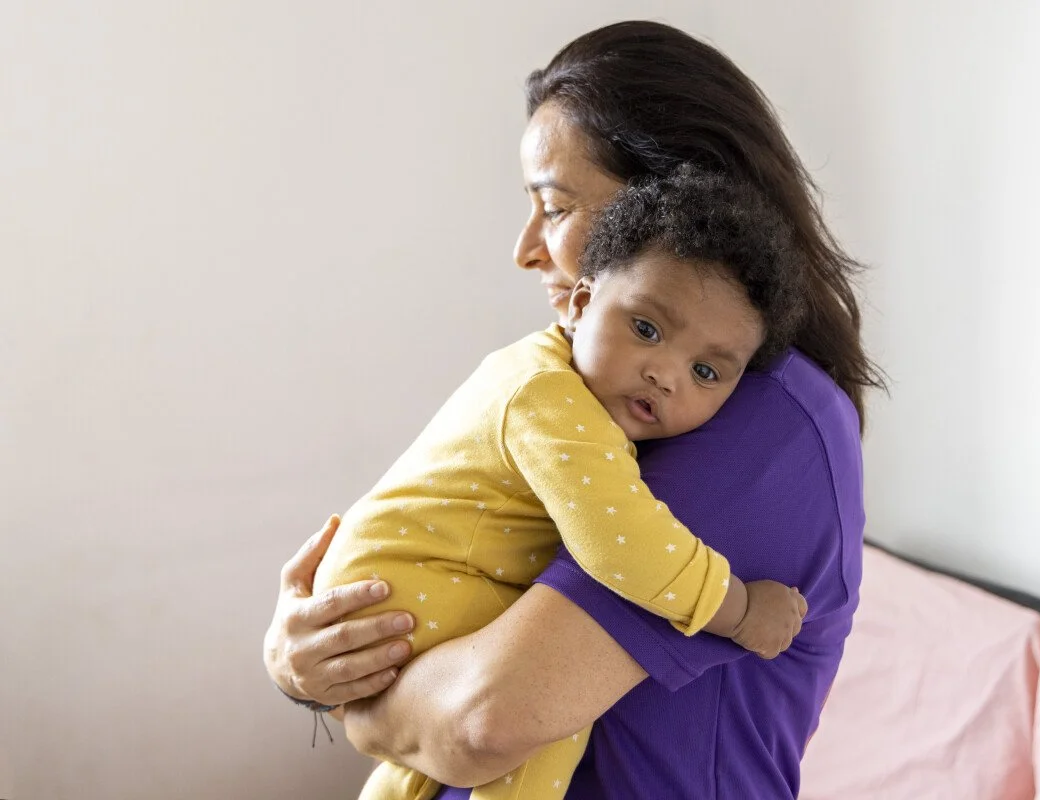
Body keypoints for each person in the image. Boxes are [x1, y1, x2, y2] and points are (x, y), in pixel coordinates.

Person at [264, 20, 880, 798]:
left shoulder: (764, 429)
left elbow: (480, 724)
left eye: (554, 208)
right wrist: (307, 663)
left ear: (673, 204)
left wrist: (357, 704)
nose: (526, 249)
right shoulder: (593, 391)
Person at [315, 168, 808, 800]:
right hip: (402, 591)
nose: (665, 374)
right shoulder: (553, 401)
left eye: (706, 370)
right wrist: (739, 611)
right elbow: (622, 544)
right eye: (647, 330)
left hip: (392, 583)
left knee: (431, 752)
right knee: (542, 713)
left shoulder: (542, 376)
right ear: (580, 303)